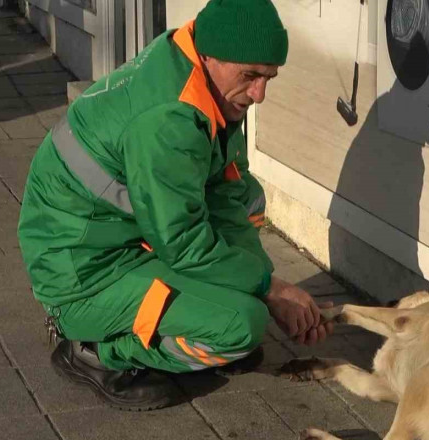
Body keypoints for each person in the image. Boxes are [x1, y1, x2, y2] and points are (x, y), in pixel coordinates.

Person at [17, 0, 333, 411]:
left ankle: (210, 318)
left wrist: (265, 284)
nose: (260, 94)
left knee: (250, 203)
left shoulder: (204, 80)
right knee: (241, 325)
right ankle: (94, 350)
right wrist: (271, 291)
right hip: (83, 276)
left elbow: (228, 196)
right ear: (212, 55)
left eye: (269, 77)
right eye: (251, 76)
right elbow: (183, 242)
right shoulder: (170, 119)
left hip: (123, 241)